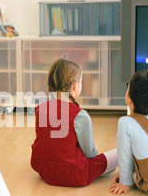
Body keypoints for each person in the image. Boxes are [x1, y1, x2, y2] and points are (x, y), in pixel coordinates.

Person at [30, 58, 118, 187]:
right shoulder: (80, 116)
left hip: (44, 170)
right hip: (73, 174)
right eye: (81, 81)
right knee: (119, 153)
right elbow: (90, 153)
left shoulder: (41, 107)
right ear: (76, 85)